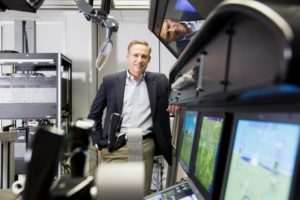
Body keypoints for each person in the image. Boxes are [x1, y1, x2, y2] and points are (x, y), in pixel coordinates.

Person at [88, 39, 179, 195]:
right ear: (127, 56)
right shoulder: (110, 81)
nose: (139, 60)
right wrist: (98, 143)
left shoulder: (160, 81)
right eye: (135, 55)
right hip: (115, 145)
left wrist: (176, 101)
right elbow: (93, 115)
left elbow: (179, 92)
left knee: (138, 193)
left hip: (143, 145)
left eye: (144, 56)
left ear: (149, 60)